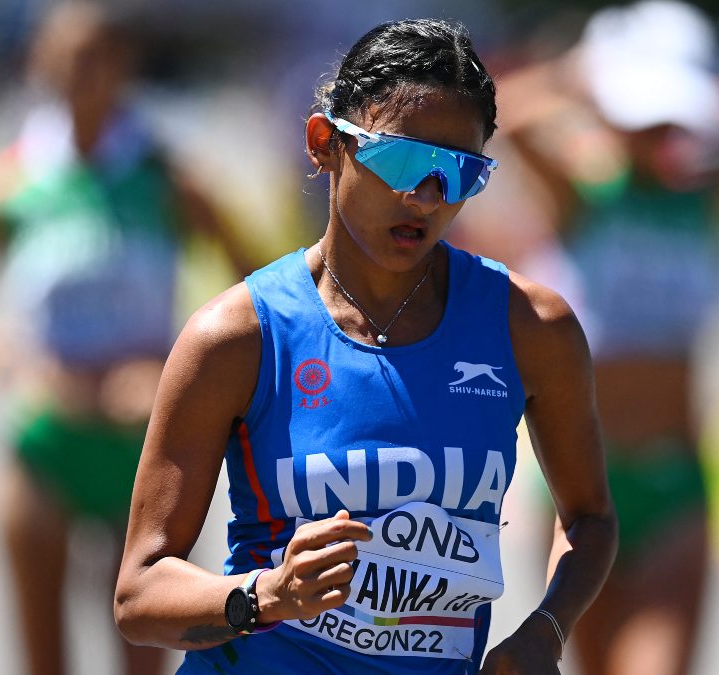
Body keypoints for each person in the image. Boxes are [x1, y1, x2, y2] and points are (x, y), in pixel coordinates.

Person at [114, 18, 617, 675]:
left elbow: (589, 518)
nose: (425, 196)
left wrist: (548, 629)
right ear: (324, 143)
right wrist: (264, 595)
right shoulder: (237, 336)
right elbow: (139, 592)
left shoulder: (531, 326)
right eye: (402, 159)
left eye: (458, 172)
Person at [496, 2, 719, 674]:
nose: (660, 132)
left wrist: (717, 94)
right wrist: (581, 77)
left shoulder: (706, 195)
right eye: (646, 115)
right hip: (578, 484)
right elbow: (505, 116)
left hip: (674, 486)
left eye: (672, 118)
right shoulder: (581, 193)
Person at [0, 3, 255, 674]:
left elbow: (261, 297)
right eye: (69, 58)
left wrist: (176, 373)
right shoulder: (3, 185)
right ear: (39, 64)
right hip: (46, 440)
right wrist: (1, 356)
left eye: (100, 57)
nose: (84, 73)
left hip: (146, 447)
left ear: (125, 65)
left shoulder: (169, 179)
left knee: (142, 654)